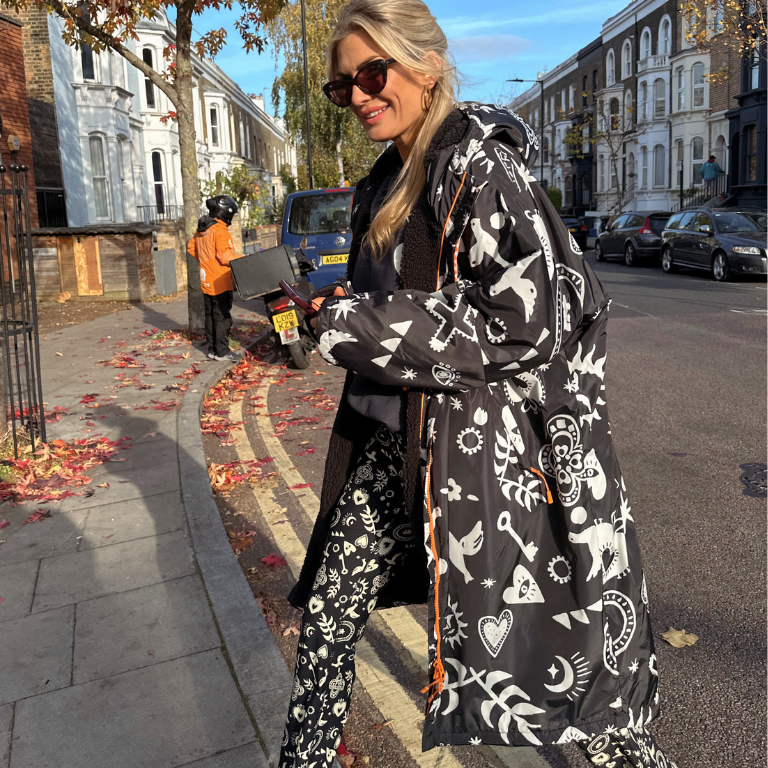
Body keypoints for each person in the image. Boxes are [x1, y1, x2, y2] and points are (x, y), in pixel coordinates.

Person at [279, 2, 679, 767]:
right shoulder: (384, 182)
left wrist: (353, 322)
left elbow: (532, 315)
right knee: (328, 619)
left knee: (577, 675)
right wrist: (337, 313)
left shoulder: (481, 168)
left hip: (492, 461)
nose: (358, 95)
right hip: (395, 449)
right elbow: (403, 311)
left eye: (372, 73)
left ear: (427, 64)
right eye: (342, 85)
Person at [187, 195, 242, 362]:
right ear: (225, 213)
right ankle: (222, 352)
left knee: (210, 316)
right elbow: (225, 258)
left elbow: (191, 247)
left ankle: (212, 349)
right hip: (219, 281)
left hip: (206, 280)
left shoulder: (202, 230)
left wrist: (205, 262)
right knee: (222, 318)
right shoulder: (220, 231)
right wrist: (243, 259)